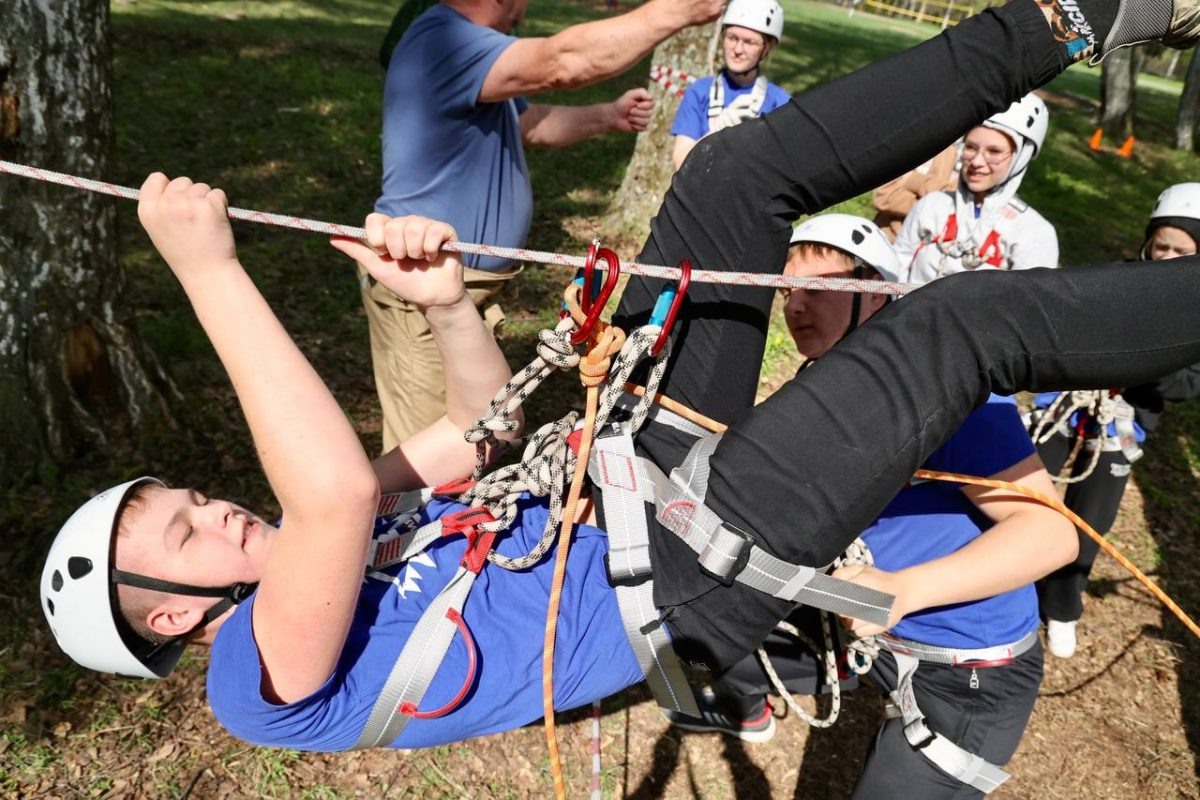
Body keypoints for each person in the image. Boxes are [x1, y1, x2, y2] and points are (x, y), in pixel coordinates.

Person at [40, 0, 1200, 780]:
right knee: (950, 327)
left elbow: (471, 430)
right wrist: (209, 269)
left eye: (186, 495)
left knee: (739, 174)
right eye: (184, 532)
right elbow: (335, 492)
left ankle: (1071, 16)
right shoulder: (257, 678)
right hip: (688, 574)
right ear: (168, 616)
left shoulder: (337, 536)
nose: (211, 506)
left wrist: (449, 303)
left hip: (645, 479)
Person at [664, 215, 1072, 797]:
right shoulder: (818, 387)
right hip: (859, 622)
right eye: (787, 291)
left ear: (876, 291)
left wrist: (901, 592)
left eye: (817, 288)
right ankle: (740, 708)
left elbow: (1051, 535)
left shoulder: (951, 389)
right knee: (686, 648)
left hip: (968, 673)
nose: (794, 306)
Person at [371, 0, 725, 449]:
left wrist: (607, 116)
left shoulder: (471, 50)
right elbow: (563, 62)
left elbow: (528, 124)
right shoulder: (442, 39)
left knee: (471, 429)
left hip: (459, 289)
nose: (525, 10)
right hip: (418, 286)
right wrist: (676, 10)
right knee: (427, 449)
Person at [1032, 182, 1200, 659]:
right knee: (1026, 488)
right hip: (1065, 404)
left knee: (1091, 519)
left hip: (1122, 422)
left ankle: (1062, 603)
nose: (1167, 259)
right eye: (1161, 246)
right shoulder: (1117, 280)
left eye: (1182, 252)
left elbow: (1189, 382)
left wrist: (1141, 363)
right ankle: (1009, 578)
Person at [894, 94, 1059, 283]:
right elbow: (898, 268)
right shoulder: (932, 207)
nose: (977, 162)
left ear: (1020, 158)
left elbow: (1028, 305)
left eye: (994, 152)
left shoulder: (1033, 233)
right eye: (971, 147)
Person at [669, 0, 792, 170]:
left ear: (767, 48)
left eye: (749, 42)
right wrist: (718, 131)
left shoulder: (781, 103)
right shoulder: (700, 91)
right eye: (732, 38)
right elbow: (680, 164)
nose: (738, 49)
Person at [871, 142, 961, 241]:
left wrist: (912, 179)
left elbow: (952, 201)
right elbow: (884, 196)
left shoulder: (956, 154)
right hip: (884, 237)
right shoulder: (910, 141)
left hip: (922, 245)